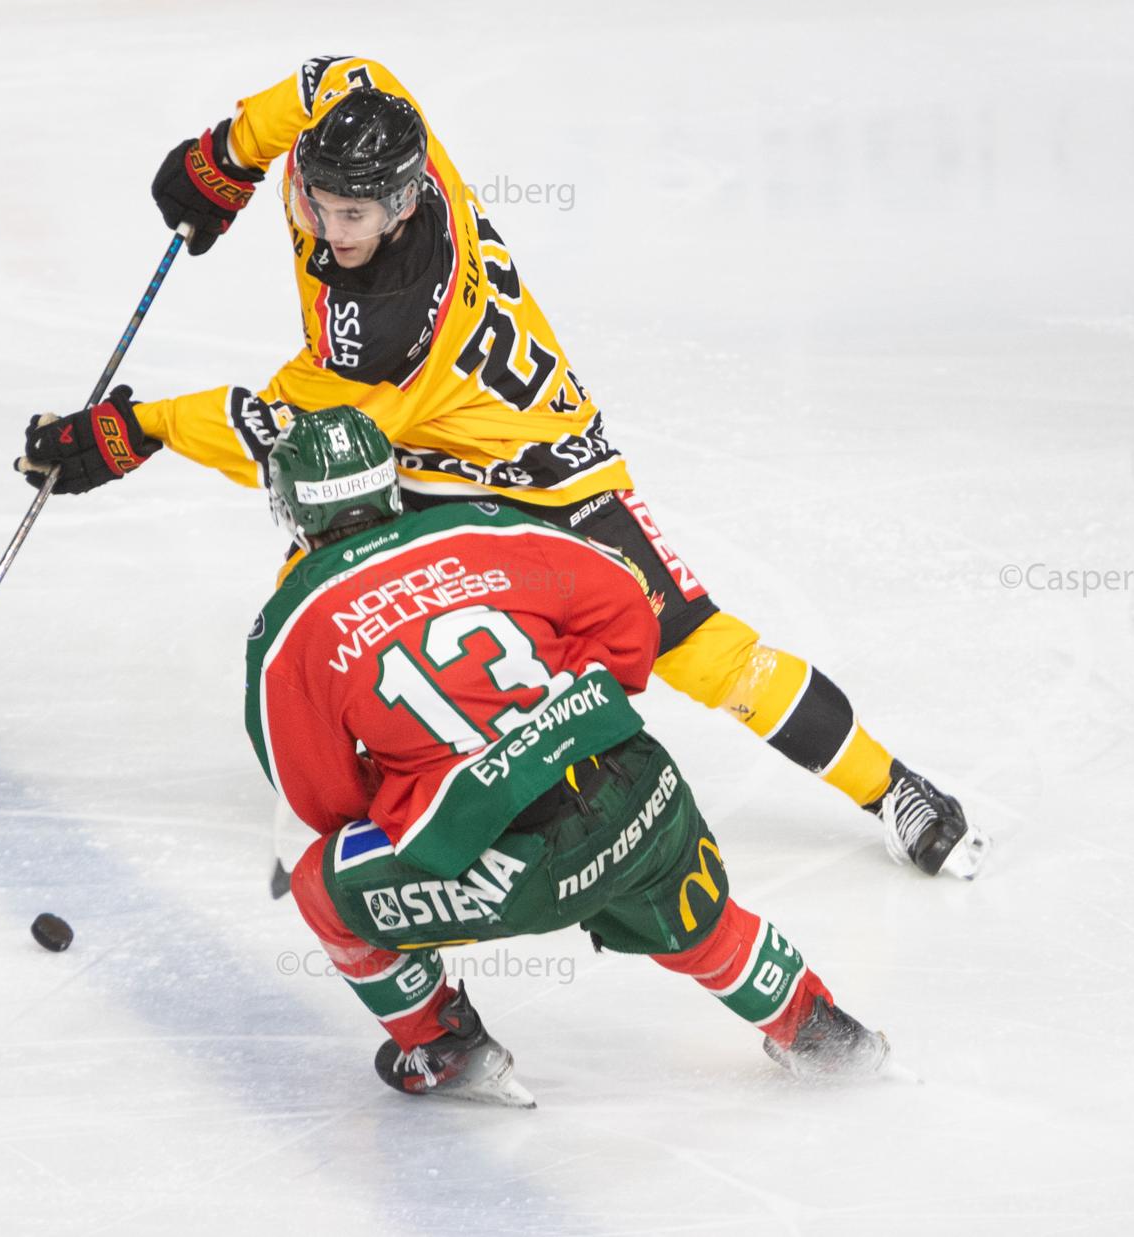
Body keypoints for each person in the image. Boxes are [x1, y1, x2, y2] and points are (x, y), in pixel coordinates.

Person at [15, 55, 986, 879]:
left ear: (403, 204)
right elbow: (336, 75)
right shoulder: (370, 135)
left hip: (541, 470)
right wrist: (230, 153)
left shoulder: (386, 332)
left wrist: (134, 430)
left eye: (354, 214)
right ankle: (361, 799)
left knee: (699, 649)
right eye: (316, 201)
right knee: (313, 600)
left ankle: (892, 788)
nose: (329, 228)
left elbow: (282, 436)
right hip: (422, 449)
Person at [242, 406, 891, 1104]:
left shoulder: (291, 626)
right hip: (642, 785)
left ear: (295, 510)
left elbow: (323, 800)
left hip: (516, 867)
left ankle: (443, 1046)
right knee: (692, 916)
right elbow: (628, 604)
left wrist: (415, 783)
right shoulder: (481, 528)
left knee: (319, 886)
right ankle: (822, 1033)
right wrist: (574, 706)